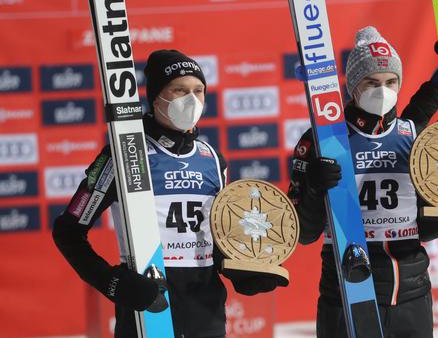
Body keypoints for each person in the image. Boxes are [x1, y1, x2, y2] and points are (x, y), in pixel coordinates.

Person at [52, 49, 284, 338]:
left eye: (198, 90)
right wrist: (113, 282)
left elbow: (217, 239)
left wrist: (245, 269)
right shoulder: (125, 155)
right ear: (157, 96)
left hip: (206, 308)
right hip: (148, 300)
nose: (191, 100)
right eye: (179, 90)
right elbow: (67, 231)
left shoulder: (212, 158)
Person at [288, 26, 438, 337]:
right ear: (353, 87)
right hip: (346, 294)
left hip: (411, 294)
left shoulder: (413, 139)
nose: (381, 90)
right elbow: (304, 233)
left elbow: (423, 227)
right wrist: (315, 188)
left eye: (390, 82)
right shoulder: (322, 141)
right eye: (371, 83)